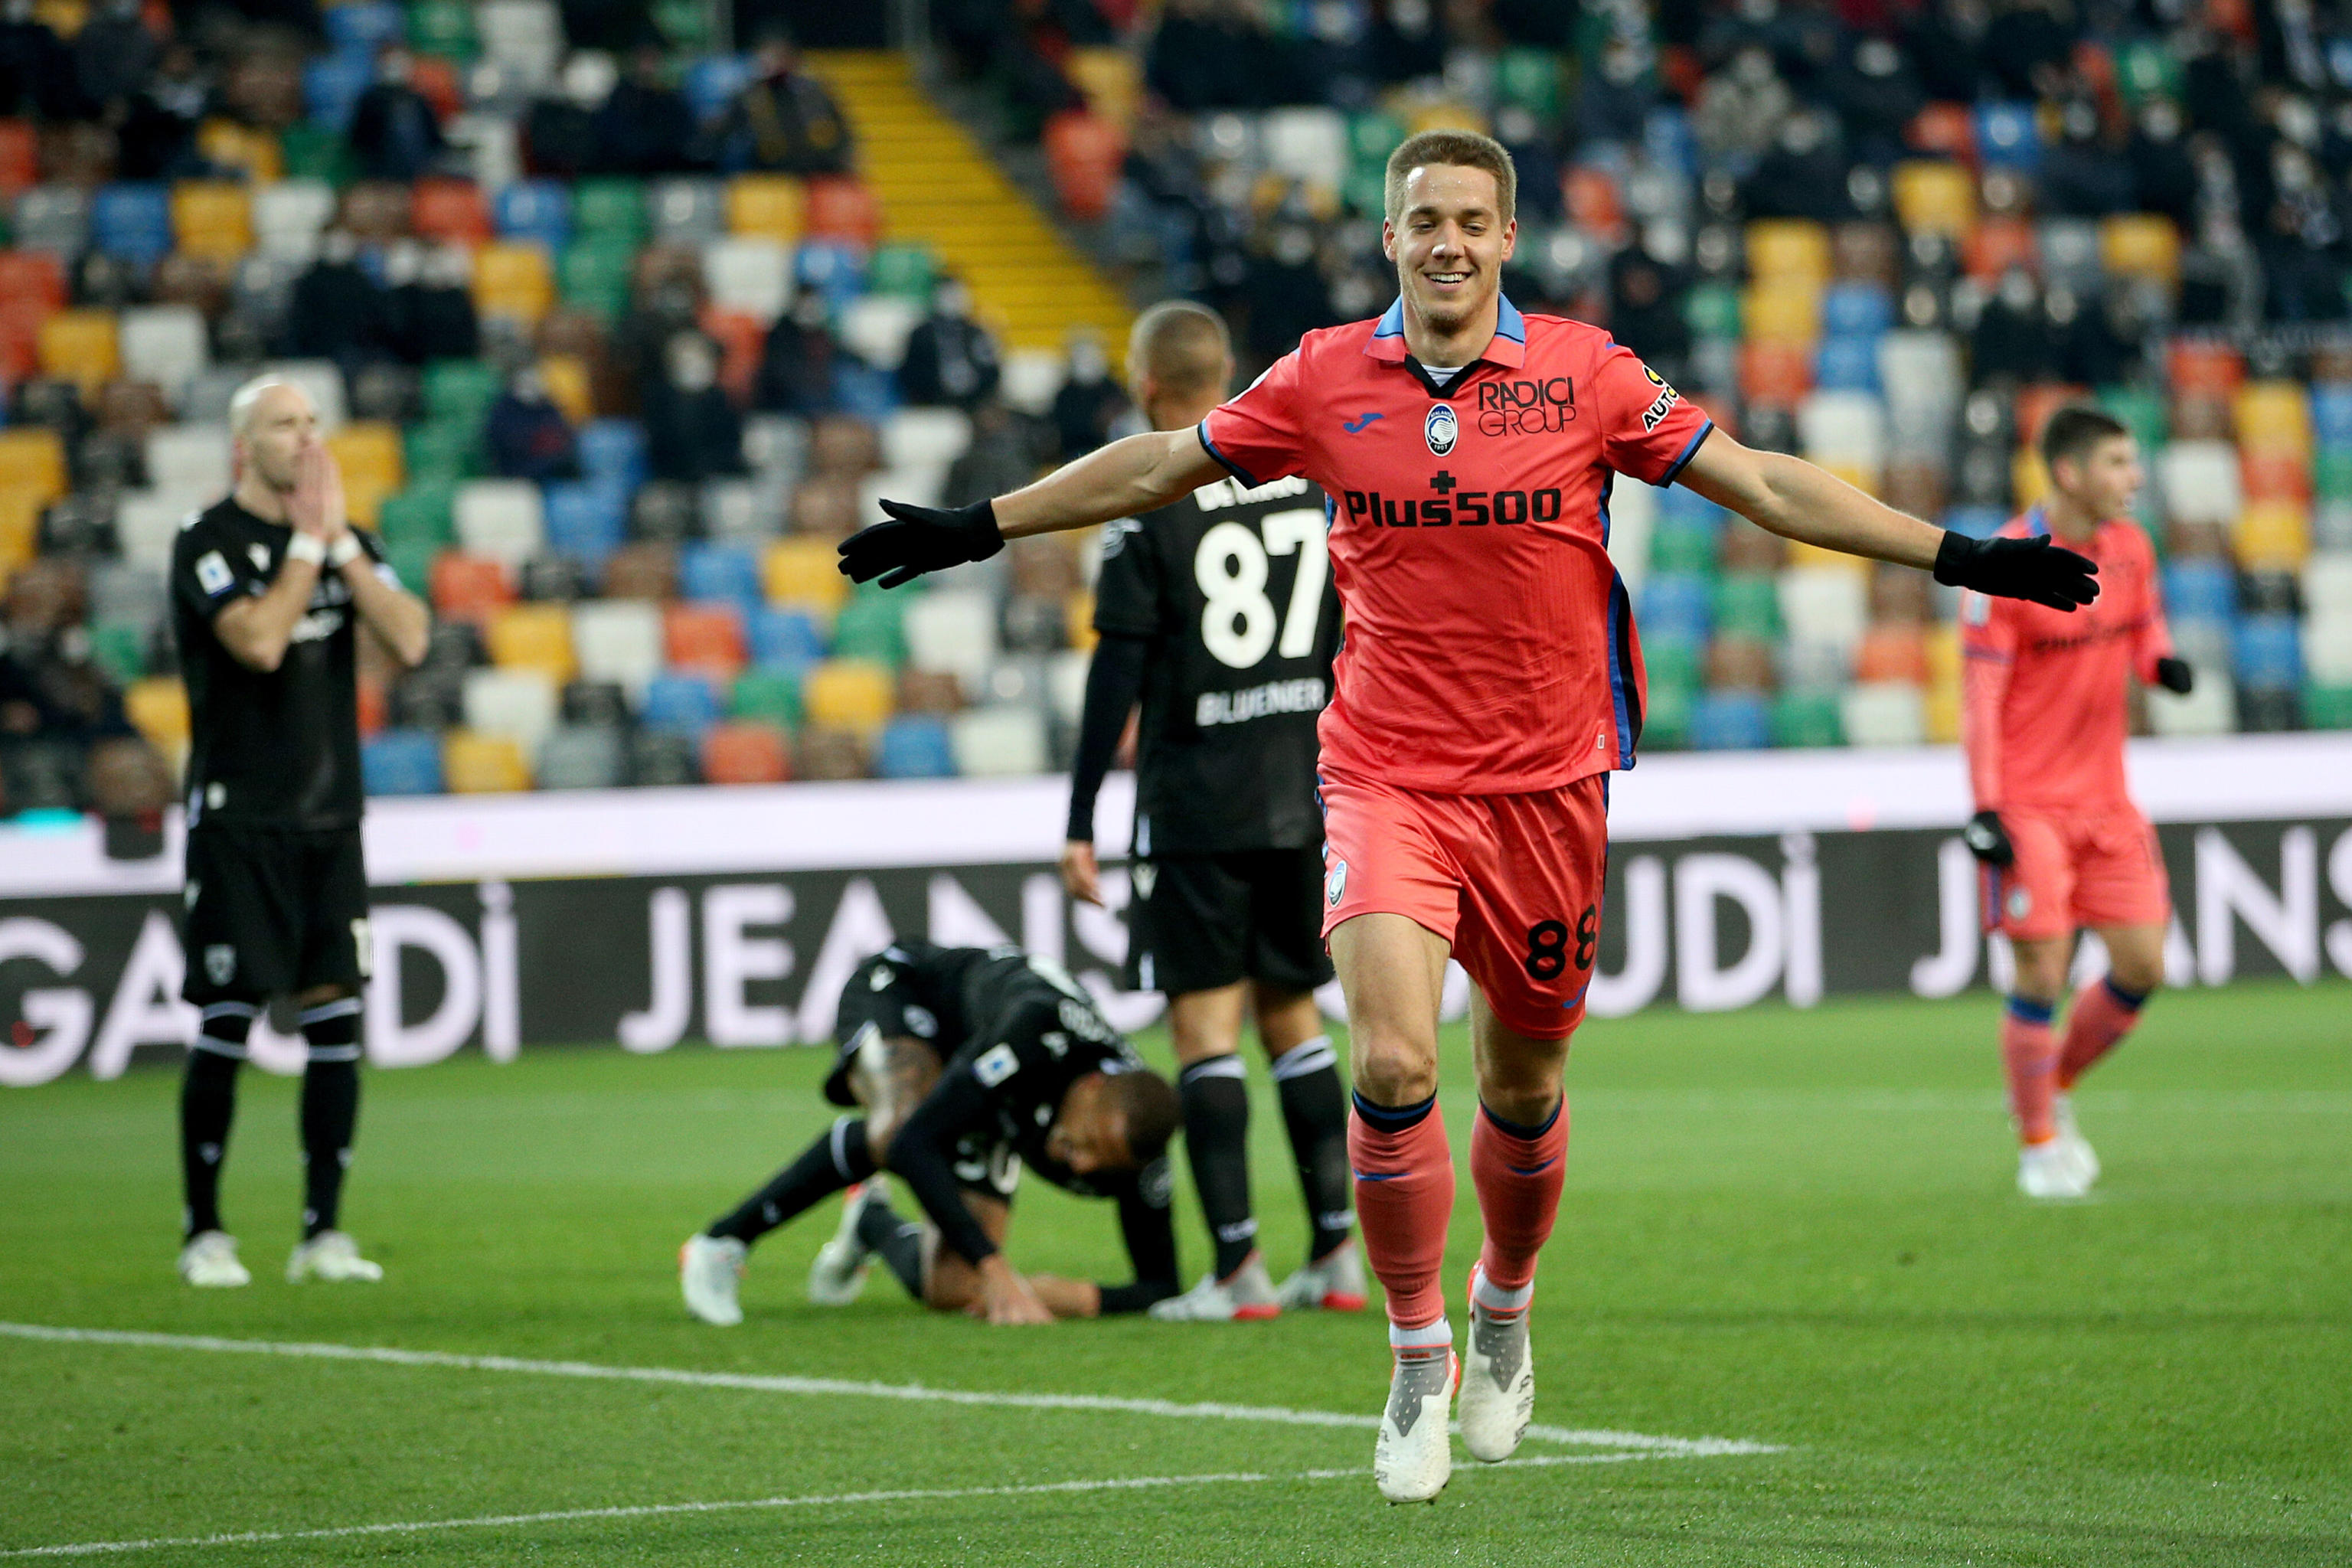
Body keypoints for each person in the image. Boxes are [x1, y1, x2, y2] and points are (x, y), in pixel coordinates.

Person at [838, 130, 2101, 1501]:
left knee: (1524, 1086)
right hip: (1384, 777)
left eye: (1470, 221)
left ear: (1506, 239)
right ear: (1390, 238)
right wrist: (982, 524)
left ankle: (1503, 1300)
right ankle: (1414, 1353)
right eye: (1423, 219)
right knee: (1391, 1063)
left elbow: (1761, 481)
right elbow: (1159, 465)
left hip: (1549, 790)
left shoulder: (1588, 372)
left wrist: (1961, 555)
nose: (1446, 241)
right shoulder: (1322, 377)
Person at [1060, 299, 1358, 1323]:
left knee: (1206, 1030)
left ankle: (1237, 1268)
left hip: (1198, 805)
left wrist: (1079, 819)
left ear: (1144, 385)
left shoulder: (1146, 498)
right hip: (1307, 790)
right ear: (1227, 374)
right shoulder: (1303, 478)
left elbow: (1117, 674)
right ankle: (1337, 1255)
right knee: (1296, 1017)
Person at [169, 377, 431, 1289]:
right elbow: (259, 642)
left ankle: (323, 1234)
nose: (307, 439)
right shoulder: (207, 542)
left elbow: (412, 639)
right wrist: (310, 546)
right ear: (244, 445)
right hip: (240, 818)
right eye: (286, 425)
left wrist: (343, 549)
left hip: (330, 820)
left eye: (314, 423)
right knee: (228, 1016)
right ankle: (205, 1232)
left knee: (335, 1019)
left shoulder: (346, 543)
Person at [679, 940, 1182, 1326]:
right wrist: (996, 1266)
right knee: (898, 1127)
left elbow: (1162, 1286)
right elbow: (913, 1143)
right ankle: (722, 1242)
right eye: (1089, 1142)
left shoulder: (1141, 1141)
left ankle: (872, 1223)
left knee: (954, 1289)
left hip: (986, 1089)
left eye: (1104, 1162)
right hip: (910, 997)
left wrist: (1075, 1296)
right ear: (1092, 1088)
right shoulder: (1031, 1033)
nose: (1085, 1165)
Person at [1959, 406, 2189, 1201]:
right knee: (2042, 969)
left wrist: (2161, 664)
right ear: (2069, 471)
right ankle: (2038, 1146)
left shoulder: (2132, 547)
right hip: (2029, 806)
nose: (2135, 477)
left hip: (2109, 801)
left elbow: (2144, 625)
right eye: (2119, 463)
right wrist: (1985, 807)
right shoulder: (2007, 565)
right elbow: (1981, 697)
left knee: (2143, 964)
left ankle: (2046, 1083)